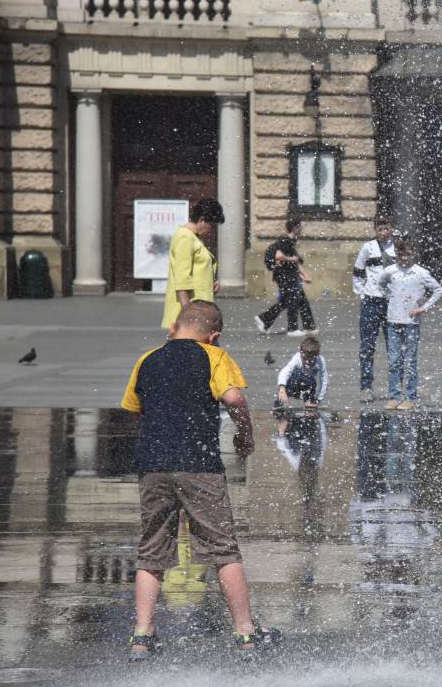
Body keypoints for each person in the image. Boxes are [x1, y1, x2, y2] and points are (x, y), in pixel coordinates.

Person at [121, 300, 281, 660]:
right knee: (223, 548)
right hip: (199, 466)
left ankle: (142, 636)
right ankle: (245, 634)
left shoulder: (147, 359)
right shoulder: (213, 356)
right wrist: (245, 435)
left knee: (151, 551)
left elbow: (134, 410)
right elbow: (233, 397)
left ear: (174, 328)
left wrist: (154, 438)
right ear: (214, 336)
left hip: (154, 465)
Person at [377, 235, 442, 411]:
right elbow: (380, 284)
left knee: (410, 360)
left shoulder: (421, 273)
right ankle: (394, 395)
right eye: (400, 255)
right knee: (393, 359)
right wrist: (390, 297)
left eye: (407, 255)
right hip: (393, 320)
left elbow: (438, 290)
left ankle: (410, 396)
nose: (404, 259)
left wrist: (424, 307)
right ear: (396, 255)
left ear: (413, 254)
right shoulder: (390, 271)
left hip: (411, 322)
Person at [161, 198, 224, 329]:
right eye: (211, 225)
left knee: (203, 348)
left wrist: (211, 280)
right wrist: (188, 314)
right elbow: (182, 278)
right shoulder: (185, 238)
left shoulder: (193, 237)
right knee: (200, 348)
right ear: (202, 220)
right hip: (191, 313)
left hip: (199, 309)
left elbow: (196, 269)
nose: (211, 230)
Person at [353, 216, 396, 403]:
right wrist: (361, 293)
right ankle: (366, 386)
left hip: (392, 303)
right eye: (380, 229)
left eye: (386, 228)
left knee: (393, 346)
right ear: (375, 230)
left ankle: (395, 388)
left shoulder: (397, 247)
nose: (383, 232)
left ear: (392, 228)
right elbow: (358, 271)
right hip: (371, 302)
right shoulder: (368, 248)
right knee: (367, 346)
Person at [255, 218, 314, 337]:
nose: (301, 229)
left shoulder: (291, 240)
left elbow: (294, 262)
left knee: (290, 300)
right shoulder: (285, 240)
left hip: (288, 274)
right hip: (284, 275)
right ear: (295, 228)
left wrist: (304, 275)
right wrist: (293, 260)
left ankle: (265, 320)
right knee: (292, 299)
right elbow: (279, 256)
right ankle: (292, 328)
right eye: (300, 226)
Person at [274, 334, 328, 410]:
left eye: (310, 359)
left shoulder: (320, 360)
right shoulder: (297, 358)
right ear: (301, 353)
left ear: (317, 355)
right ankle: (280, 400)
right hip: (293, 384)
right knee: (298, 375)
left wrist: (319, 399)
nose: (307, 362)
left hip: (307, 386)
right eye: (305, 358)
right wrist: (282, 389)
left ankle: (309, 400)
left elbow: (324, 380)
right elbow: (285, 371)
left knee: (310, 380)